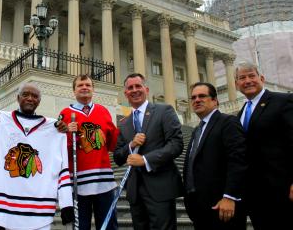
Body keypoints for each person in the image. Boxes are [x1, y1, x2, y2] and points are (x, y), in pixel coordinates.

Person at [0, 82, 73, 229]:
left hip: (37, 211)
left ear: (39, 101)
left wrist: (66, 204)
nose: (30, 98)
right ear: (18, 98)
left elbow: (62, 168)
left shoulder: (54, 128)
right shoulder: (0, 120)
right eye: (25, 95)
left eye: (35, 96)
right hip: (4, 208)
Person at [113, 73, 183, 230]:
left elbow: (176, 144)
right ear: (125, 93)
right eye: (130, 87)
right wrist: (131, 145)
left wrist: (145, 160)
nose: (134, 90)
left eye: (138, 86)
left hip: (160, 188)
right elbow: (117, 157)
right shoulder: (124, 123)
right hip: (135, 193)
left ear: (146, 89)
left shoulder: (164, 111)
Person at [235, 62, 293, 230]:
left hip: (281, 191)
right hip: (255, 195)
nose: (247, 81)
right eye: (242, 78)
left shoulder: (283, 101)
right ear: (237, 84)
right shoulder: (242, 112)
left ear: (261, 78)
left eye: (251, 76)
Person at [57, 74, 119, 230]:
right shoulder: (65, 114)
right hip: (78, 182)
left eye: (88, 85)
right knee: (81, 227)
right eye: (80, 85)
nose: (84, 87)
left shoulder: (103, 111)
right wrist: (67, 134)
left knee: (108, 226)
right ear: (74, 90)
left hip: (103, 181)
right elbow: (58, 149)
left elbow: (113, 144)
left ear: (93, 89)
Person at [184, 82, 247, 230]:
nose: (196, 100)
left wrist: (230, 196)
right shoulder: (197, 130)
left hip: (222, 206)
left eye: (202, 96)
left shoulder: (228, 122)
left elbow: (238, 160)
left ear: (214, 100)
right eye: (193, 97)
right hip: (199, 208)